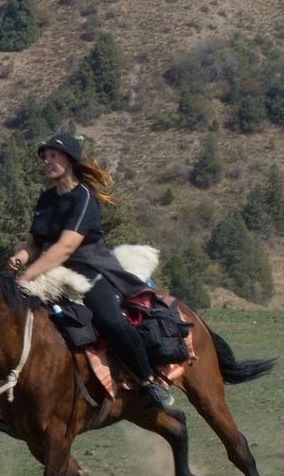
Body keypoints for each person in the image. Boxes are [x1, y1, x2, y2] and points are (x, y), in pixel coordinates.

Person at [9, 132, 173, 411]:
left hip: (89, 272)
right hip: (50, 275)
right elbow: (35, 244)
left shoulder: (84, 198)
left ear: (70, 160)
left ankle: (149, 382)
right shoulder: (46, 199)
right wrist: (21, 257)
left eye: (53, 156)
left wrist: (26, 278)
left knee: (110, 322)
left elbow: (65, 248)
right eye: (45, 157)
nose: (47, 161)